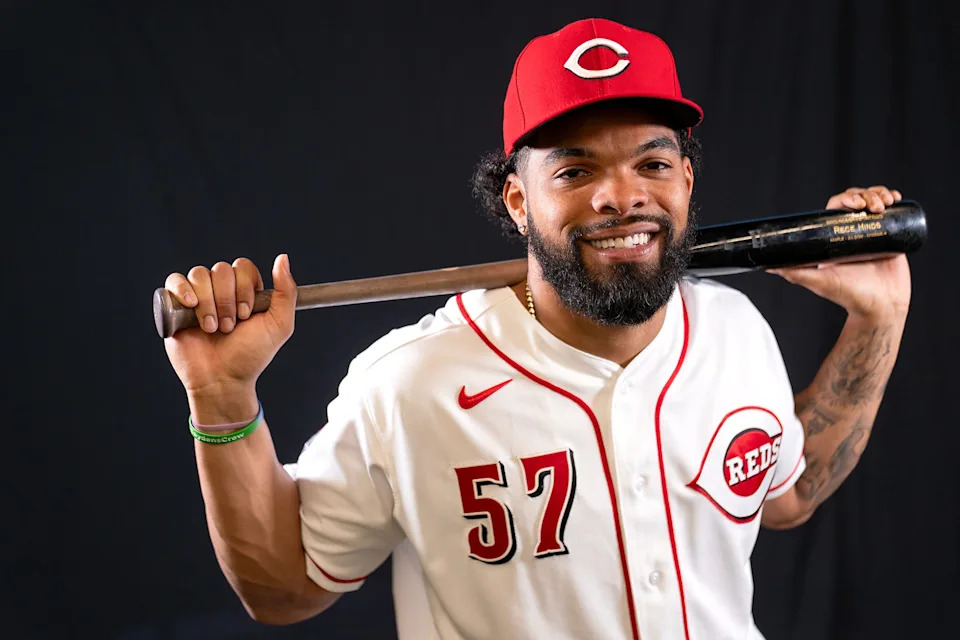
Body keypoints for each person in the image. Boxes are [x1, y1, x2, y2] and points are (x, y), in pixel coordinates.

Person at [161, 18, 911, 640]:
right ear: (518, 202)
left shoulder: (735, 328)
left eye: (652, 162)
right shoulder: (411, 382)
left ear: (685, 181)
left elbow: (785, 496)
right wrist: (222, 395)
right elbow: (283, 590)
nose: (622, 197)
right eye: (576, 172)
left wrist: (878, 318)